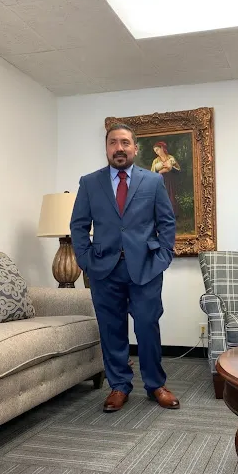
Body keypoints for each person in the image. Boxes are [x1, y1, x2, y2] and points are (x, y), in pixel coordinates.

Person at [70, 123, 180, 412]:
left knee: (147, 327)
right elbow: (78, 226)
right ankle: (119, 386)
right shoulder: (89, 183)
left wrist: (164, 256)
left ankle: (155, 385)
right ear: (106, 148)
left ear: (135, 148)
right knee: (111, 330)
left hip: (146, 268)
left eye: (125, 142)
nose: (119, 148)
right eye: (113, 143)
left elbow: (167, 222)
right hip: (104, 270)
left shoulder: (152, 181)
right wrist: (85, 260)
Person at [150, 141, 180, 217]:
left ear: (162, 148)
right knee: (163, 198)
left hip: (171, 181)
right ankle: (163, 216)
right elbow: (152, 174)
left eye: (157, 150)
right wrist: (161, 171)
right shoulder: (155, 161)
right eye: (155, 151)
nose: (156, 152)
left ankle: (173, 216)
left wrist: (170, 168)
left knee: (172, 198)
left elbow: (178, 170)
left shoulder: (170, 157)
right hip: (161, 181)